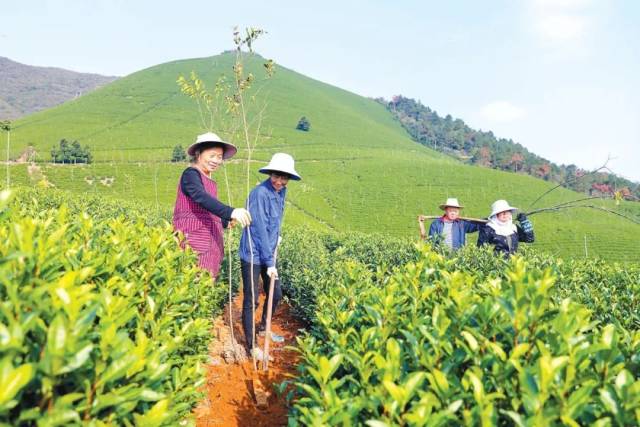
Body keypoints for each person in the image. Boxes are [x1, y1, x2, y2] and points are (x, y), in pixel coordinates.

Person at [238, 153, 301, 361]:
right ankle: (251, 346)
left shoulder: (281, 192)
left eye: (284, 178)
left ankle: (264, 327)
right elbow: (259, 230)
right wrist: (270, 262)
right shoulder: (260, 194)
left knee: (276, 294)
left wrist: (278, 237)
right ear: (270, 173)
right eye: (276, 176)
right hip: (253, 252)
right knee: (252, 299)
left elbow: (274, 222)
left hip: (268, 250)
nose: (279, 181)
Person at [172, 132, 252, 278]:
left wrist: (223, 221)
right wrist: (230, 212)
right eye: (212, 155)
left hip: (210, 244)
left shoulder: (209, 180)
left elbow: (206, 209)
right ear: (198, 154)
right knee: (192, 286)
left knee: (206, 287)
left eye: (220, 157)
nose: (216, 160)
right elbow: (200, 196)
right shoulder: (191, 174)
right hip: (194, 242)